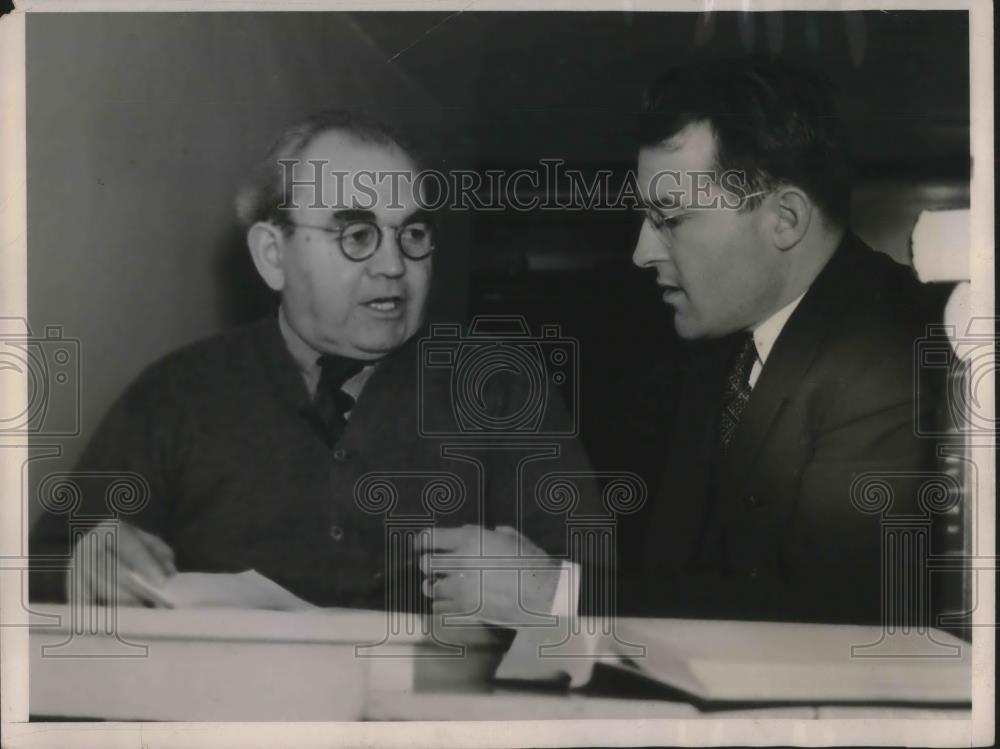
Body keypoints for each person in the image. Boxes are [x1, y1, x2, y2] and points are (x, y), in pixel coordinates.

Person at [29, 110, 600, 622]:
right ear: (273, 256)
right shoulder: (175, 394)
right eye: (356, 235)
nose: (394, 266)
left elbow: (612, 599)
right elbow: (39, 567)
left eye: (414, 234)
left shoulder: (501, 386)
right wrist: (86, 563)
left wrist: (551, 593)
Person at [619, 58, 944, 625]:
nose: (642, 252)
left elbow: (835, 618)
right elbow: (673, 576)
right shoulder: (721, 344)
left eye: (669, 219)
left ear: (786, 219)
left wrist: (563, 595)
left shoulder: (893, 350)